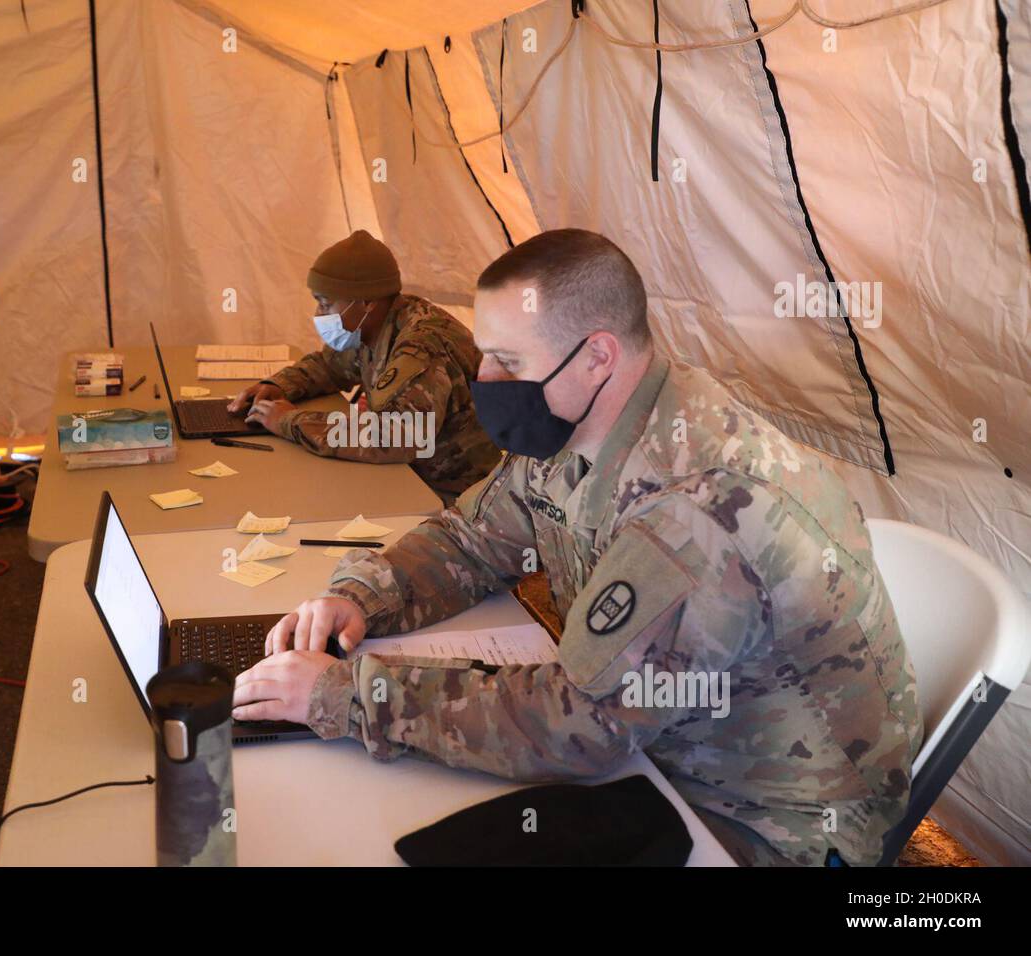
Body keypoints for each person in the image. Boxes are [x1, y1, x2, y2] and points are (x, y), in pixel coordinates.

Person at [232, 228, 922, 867]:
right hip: (661, 750)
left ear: (598, 355)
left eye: (507, 361)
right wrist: (361, 597)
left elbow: (580, 727)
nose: (488, 385)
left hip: (760, 820)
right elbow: (473, 536)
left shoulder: (700, 509)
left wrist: (346, 697)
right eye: (486, 358)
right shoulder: (576, 419)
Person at [229, 229, 501, 504]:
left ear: (367, 302)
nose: (319, 315)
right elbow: (329, 365)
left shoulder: (421, 347)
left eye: (325, 304)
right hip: (409, 476)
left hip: (452, 495)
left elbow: (399, 437)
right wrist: (277, 386)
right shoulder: (375, 326)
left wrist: (289, 421)